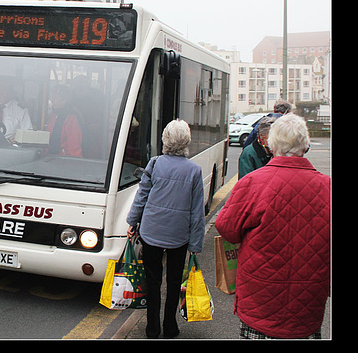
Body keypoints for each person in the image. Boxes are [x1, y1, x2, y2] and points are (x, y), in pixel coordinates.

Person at [215, 113, 330, 339]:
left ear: (272, 144)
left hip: (260, 302)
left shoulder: (253, 182)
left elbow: (226, 227)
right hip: (308, 304)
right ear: (305, 145)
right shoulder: (327, 187)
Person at [126, 119, 205, 339]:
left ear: (165, 141)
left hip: (151, 232)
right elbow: (197, 212)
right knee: (173, 282)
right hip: (178, 236)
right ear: (186, 141)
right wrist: (195, 243)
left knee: (152, 281)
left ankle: (152, 328)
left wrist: (132, 222)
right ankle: (170, 326)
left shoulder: (154, 164)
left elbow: (141, 196)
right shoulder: (194, 171)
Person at [46, 85, 83, 157]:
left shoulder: (71, 117)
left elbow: (74, 146)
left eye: (55, 96)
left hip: (64, 160)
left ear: (64, 100)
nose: (51, 99)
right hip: (50, 157)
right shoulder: (53, 115)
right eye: (51, 96)